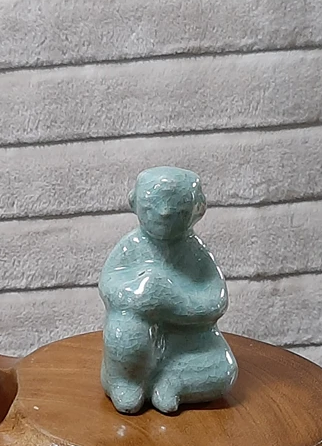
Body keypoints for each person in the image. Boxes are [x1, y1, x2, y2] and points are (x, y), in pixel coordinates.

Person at [99, 166, 237, 414]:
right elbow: (108, 284)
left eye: (178, 210)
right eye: (150, 207)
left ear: (198, 210)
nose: (163, 213)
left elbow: (217, 300)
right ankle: (125, 382)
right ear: (134, 203)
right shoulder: (132, 246)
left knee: (224, 370)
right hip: (140, 329)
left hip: (189, 341)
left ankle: (173, 382)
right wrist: (139, 295)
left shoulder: (195, 252)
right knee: (124, 333)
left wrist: (176, 301)